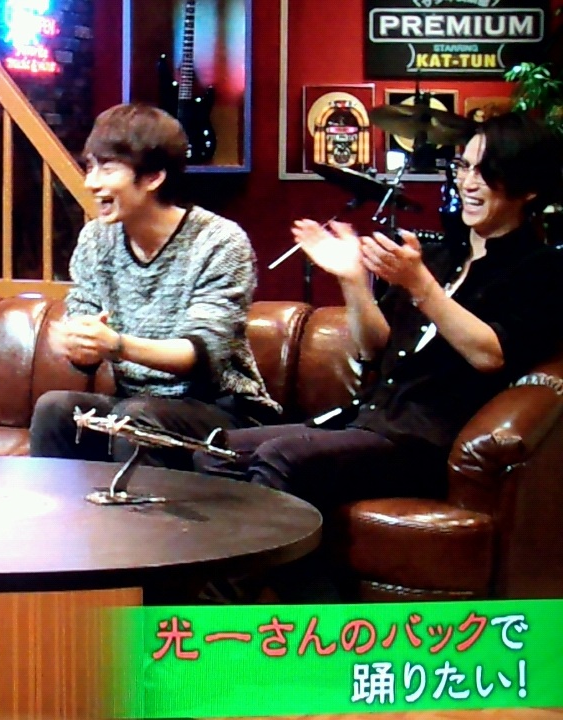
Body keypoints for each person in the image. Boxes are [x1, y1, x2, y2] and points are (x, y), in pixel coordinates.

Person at [193, 113, 563, 596]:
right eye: (464, 167)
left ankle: (224, 612)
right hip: (372, 421)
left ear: (528, 187)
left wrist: (421, 287)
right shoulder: (440, 256)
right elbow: (374, 346)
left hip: (428, 442)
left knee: (282, 457)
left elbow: (489, 354)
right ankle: (318, 602)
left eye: (486, 172)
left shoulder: (540, 270)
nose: (469, 183)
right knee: (218, 452)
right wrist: (351, 280)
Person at [29, 103, 279, 468]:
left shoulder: (219, 241)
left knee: (137, 417)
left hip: (223, 410)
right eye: (90, 166)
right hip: (136, 404)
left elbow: (202, 354)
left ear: (152, 177)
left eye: (107, 168)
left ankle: (146, 510)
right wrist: (78, 345)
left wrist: (116, 345)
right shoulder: (96, 239)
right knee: (56, 409)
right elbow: (85, 326)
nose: (91, 182)